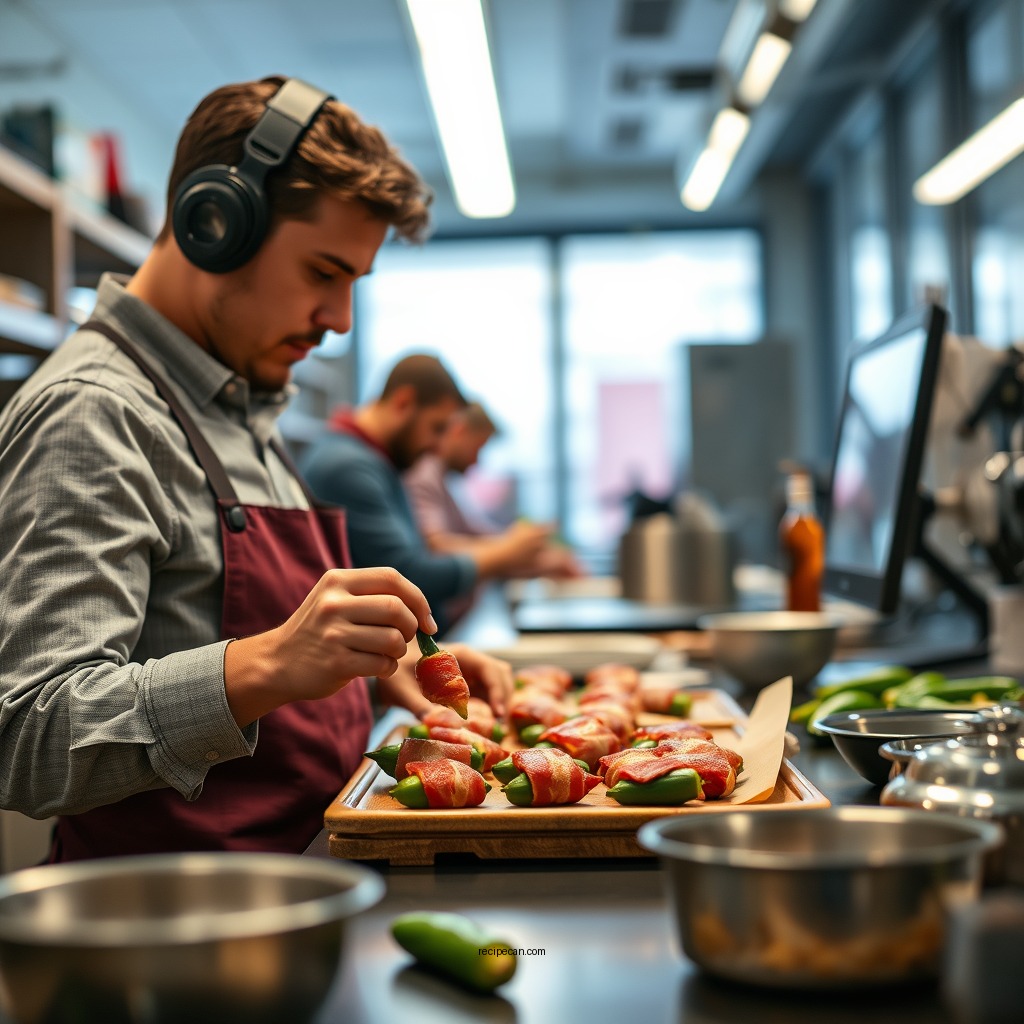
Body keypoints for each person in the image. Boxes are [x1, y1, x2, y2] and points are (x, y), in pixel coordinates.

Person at [0, 76, 513, 861]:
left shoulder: (239, 402)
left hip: (304, 884)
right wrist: (270, 661)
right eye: (322, 273)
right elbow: (30, 737)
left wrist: (380, 668)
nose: (339, 322)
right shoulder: (94, 415)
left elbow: (237, 644)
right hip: (176, 938)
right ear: (214, 224)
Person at [300, 357, 558, 635]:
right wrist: (504, 554)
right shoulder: (348, 467)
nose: (438, 448)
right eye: (437, 428)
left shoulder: (376, 462)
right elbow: (408, 578)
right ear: (403, 403)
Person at [402, 399, 585, 596]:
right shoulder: (424, 472)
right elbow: (437, 548)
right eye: (478, 447)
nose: (476, 460)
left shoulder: (442, 480)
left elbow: (477, 536)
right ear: (459, 431)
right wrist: (514, 548)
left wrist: (535, 555)